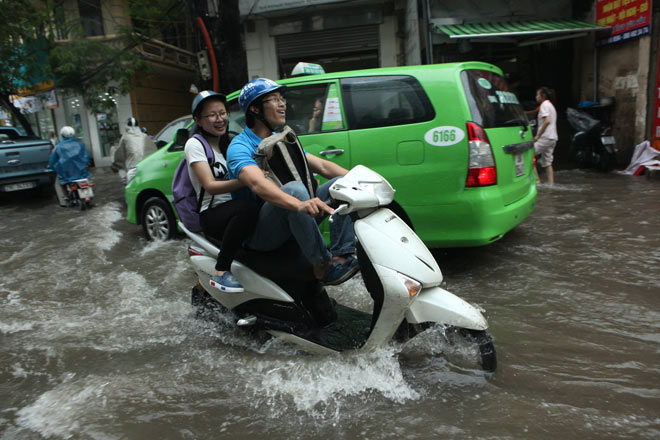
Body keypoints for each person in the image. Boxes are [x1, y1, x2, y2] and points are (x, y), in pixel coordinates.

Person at [227, 78, 358, 285]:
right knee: (295, 189)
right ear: (254, 109)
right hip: (261, 232)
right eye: (274, 100)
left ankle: (341, 255)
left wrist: (360, 181)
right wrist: (300, 204)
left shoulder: (280, 139)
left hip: (297, 212)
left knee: (340, 183)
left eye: (282, 99)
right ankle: (321, 265)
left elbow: (323, 167)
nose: (282, 104)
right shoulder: (239, 146)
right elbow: (256, 184)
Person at [185, 90, 261, 293]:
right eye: (212, 115)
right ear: (198, 121)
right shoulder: (195, 145)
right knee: (248, 207)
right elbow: (209, 185)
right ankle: (221, 270)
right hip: (212, 214)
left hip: (235, 209)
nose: (219, 119)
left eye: (222, 113)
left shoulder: (230, 143)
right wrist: (246, 180)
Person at [49, 126, 92, 206]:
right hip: (81, 173)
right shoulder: (81, 145)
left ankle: (65, 199)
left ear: (62, 135)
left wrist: (52, 167)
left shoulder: (58, 147)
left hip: (66, 174)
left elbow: (53, 161)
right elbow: (86, 157)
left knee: (59, 182)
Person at [112, 117, 157, 183]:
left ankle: (125, 180)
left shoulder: (125, 137)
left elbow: (120, 155)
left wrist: (116, 164)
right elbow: (153, 150)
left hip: (132, 169)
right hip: (146, 168)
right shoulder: (144, 136)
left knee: (132, 190)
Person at [532, 87, 558, 185]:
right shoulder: (551, 106)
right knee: (547, 162)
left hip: (545, 137)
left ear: (543, 96)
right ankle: (551, 184)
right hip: (553, 138)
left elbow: (547, 121)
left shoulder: (544, 105)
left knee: (529, 155)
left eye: (537, 95)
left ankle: (537, 180)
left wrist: (538, 136)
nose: (536, 97)